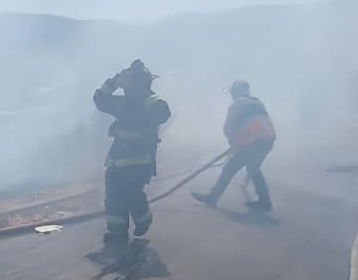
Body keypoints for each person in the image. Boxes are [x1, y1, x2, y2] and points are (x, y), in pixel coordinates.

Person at [93, 60, 172, 246]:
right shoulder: (122, 102)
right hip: (116, 160)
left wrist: (123, 121)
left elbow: (161, 114)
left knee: (131, 193)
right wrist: (112, 83)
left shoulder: (155, 103)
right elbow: (99, 100)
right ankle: (117, 234)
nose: (127, 86)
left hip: (139, 160)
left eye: (130, 81)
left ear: (141, 83)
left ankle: (143, 219)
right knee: (113, 197)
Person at [192, 80, 276, 211]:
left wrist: (233, 144)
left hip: (252, 142)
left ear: (236, 92)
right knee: (253, 168)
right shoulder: (257, 103)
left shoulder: (237, 105)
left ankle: (213, 197)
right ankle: (264, 201)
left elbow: (229, 128)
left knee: (231, 167)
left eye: (232, 92)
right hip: (267, 140)